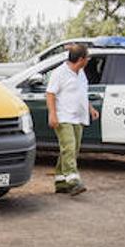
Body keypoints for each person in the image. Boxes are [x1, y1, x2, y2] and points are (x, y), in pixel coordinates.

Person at [46, 42, 99, 196]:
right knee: (68, 147)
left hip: (78, 117)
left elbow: (82, 93)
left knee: (71, 150)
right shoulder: (60, 73)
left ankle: (61, 182)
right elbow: (50, 94)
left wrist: (91, 108)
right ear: (81, 59)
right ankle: (73, 181)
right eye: (87, 58)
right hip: (63, 116)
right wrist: (52, 114)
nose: (88, 60)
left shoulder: (81, 73)